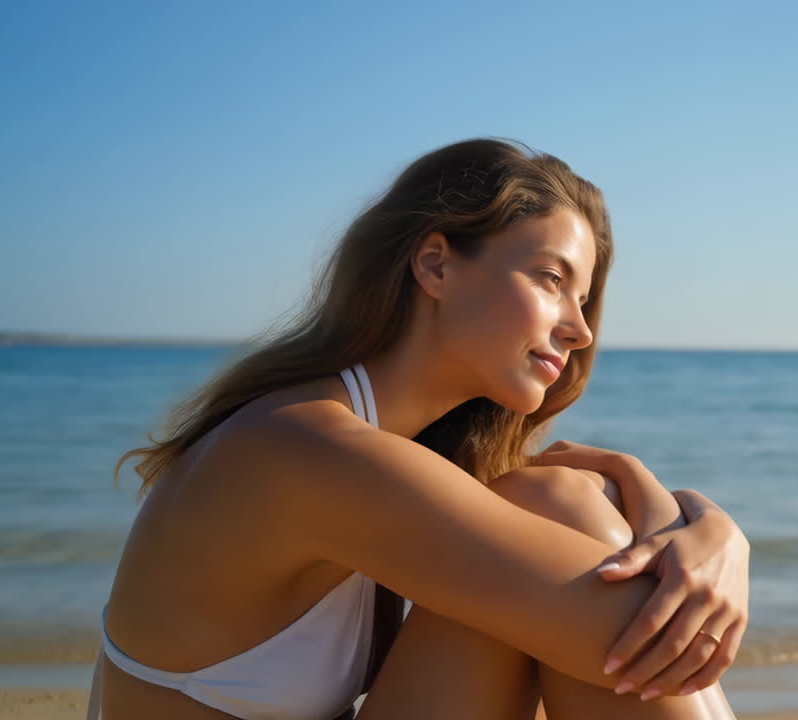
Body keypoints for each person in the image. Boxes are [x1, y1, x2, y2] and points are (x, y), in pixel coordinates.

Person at [89, 138, 750, 719]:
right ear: (435, 264)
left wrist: (710, 531)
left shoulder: (384, 448)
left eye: (583, 300)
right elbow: (657, 639)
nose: (578, 330)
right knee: (567, 514)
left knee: (557, 501)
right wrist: (689, 523)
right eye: (552, 279)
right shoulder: (304, 451)